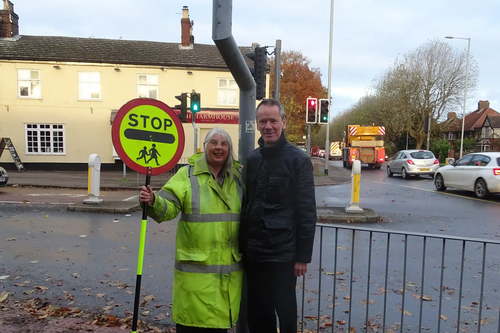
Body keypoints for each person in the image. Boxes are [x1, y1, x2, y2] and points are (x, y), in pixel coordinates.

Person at [139, 127, 244, 333]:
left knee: (219, 327)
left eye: (224, 144)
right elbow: (168, 207)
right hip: (195, 282)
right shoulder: (187, 175)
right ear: (205, 147)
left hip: (226, 280)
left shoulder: (237, 179)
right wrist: (153, 201)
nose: (219, 148)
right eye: (214, 143)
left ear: (229, 149)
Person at [240, 99, 317, 333]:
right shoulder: (252, 160)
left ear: (283, 122)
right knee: (257, 315)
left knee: (285, 315)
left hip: (282, 256)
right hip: (254, 256)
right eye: (263, 121)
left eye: (273, 120)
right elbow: (247, 205)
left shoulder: (299, 161)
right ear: (257, 124)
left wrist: (302, 256)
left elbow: (306, 211)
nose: (268, 126)